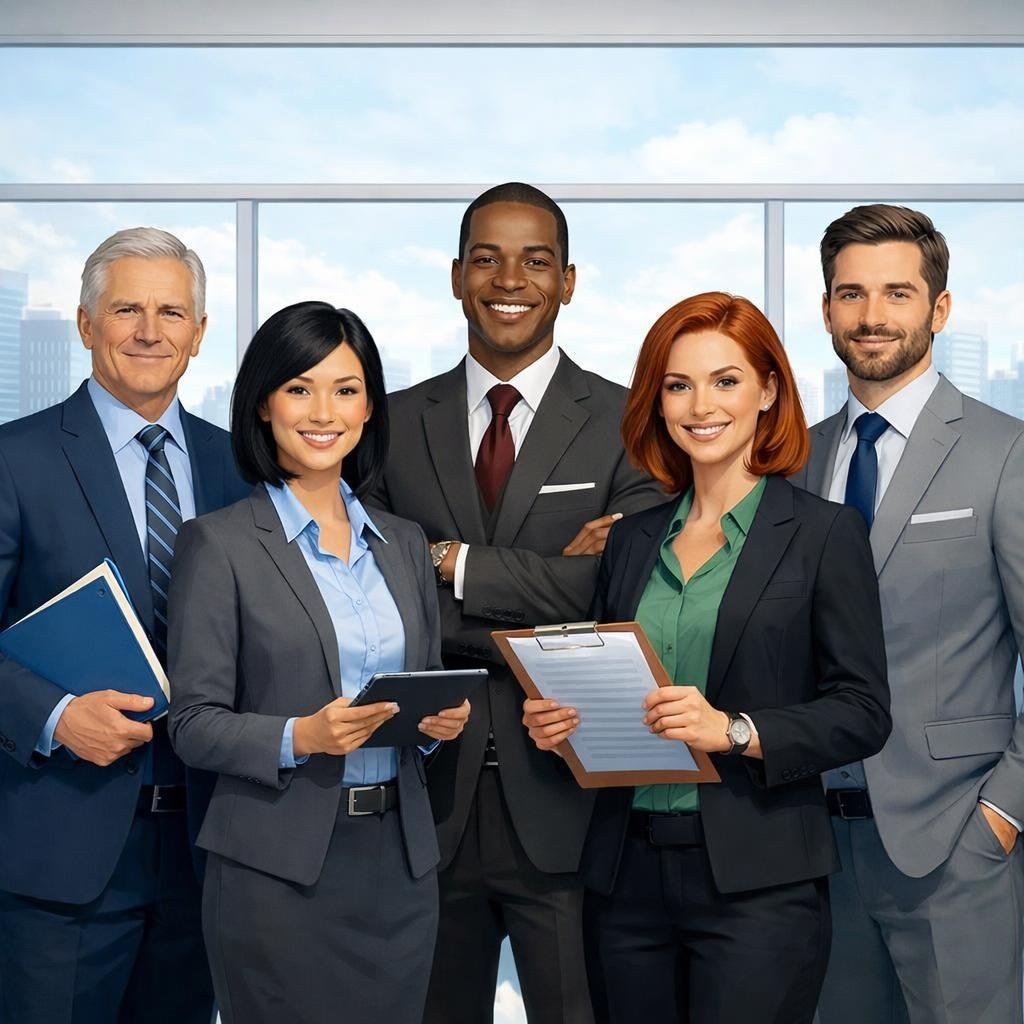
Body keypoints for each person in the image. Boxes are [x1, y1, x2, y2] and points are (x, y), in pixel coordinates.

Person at [524, 291, 892, 1024]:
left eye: (726, 380)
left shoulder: (823, 535)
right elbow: (618, 695)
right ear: (657, 402)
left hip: (760, 887)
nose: (701, 404)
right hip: (625, 878)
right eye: (678, 384)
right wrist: (563, 726)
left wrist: (735, 730)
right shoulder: (630, 539)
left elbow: (862, 712)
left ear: (768, 391)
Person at [367, 182, 664, 1024]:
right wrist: (546, 588)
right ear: (457, 275)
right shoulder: (386, 423)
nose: (511, 279)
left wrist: (447, 562)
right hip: (426, 798)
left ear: (568, 281)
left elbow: (619, 595)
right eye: (488, 259)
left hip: (570, 799)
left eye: (536, 261)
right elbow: (378, 594)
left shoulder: (630, 422)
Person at [167, 301, 470, 1024]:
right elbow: (193, 724)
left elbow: (413, 689)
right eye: (299, 388)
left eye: (346, 388)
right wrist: (302, 736)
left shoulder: (402, 543)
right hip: (277, 873)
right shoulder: (219, 545)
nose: (323, 410)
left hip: (398, 869)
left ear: (369, 406)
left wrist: (434, 724)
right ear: (264, 405)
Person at [0, 227, 248, 1023]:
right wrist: (54, 715)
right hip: (62, 850)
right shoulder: (17, 458)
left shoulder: (238, 465)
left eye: (172, 312)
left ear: (200, 334)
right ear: (85, 324)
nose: (150, 331)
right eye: (127, 309)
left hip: (209, 848)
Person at [790, 205, 1024, 1024]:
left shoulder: (1006, 452)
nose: (872, 316)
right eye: (850, 295)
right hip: (812, 843)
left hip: (955, 845)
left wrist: (1003, 814)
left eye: (897, 292)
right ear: (826, 311)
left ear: (941, 308)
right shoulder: (797, 458)